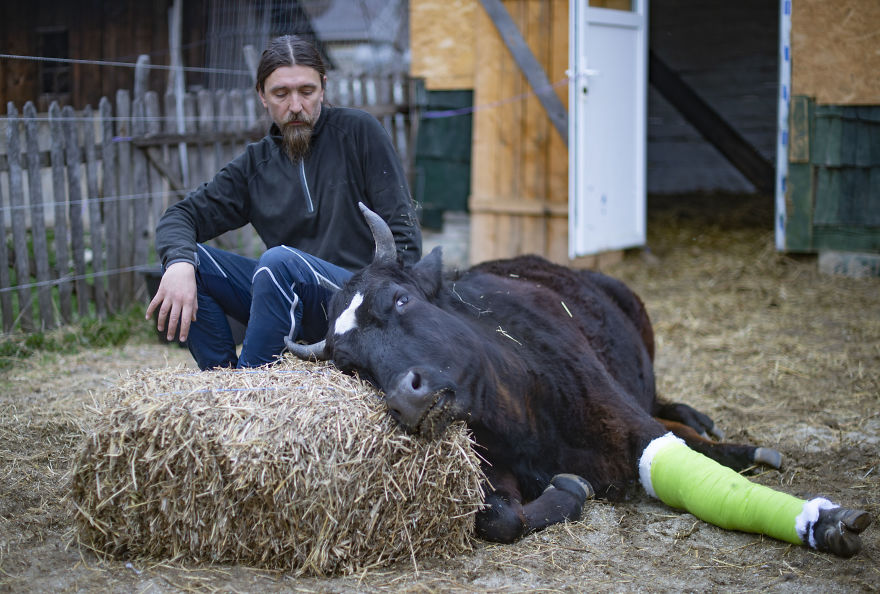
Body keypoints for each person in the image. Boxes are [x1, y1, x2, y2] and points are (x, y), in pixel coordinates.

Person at [146, 35, 422, 370]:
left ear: (323, 87)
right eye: (281, 94)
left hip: (358, 300)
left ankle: (249, 392)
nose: (295, 106)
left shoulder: (359, 132)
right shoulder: (255, 166)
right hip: (290, 297)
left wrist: (387, 307)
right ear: (262, 95)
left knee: (279, 262)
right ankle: (221, 383)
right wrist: (178, 264)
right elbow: (180, 216)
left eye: (306, 92)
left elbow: (404, 235)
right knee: (192, 261)